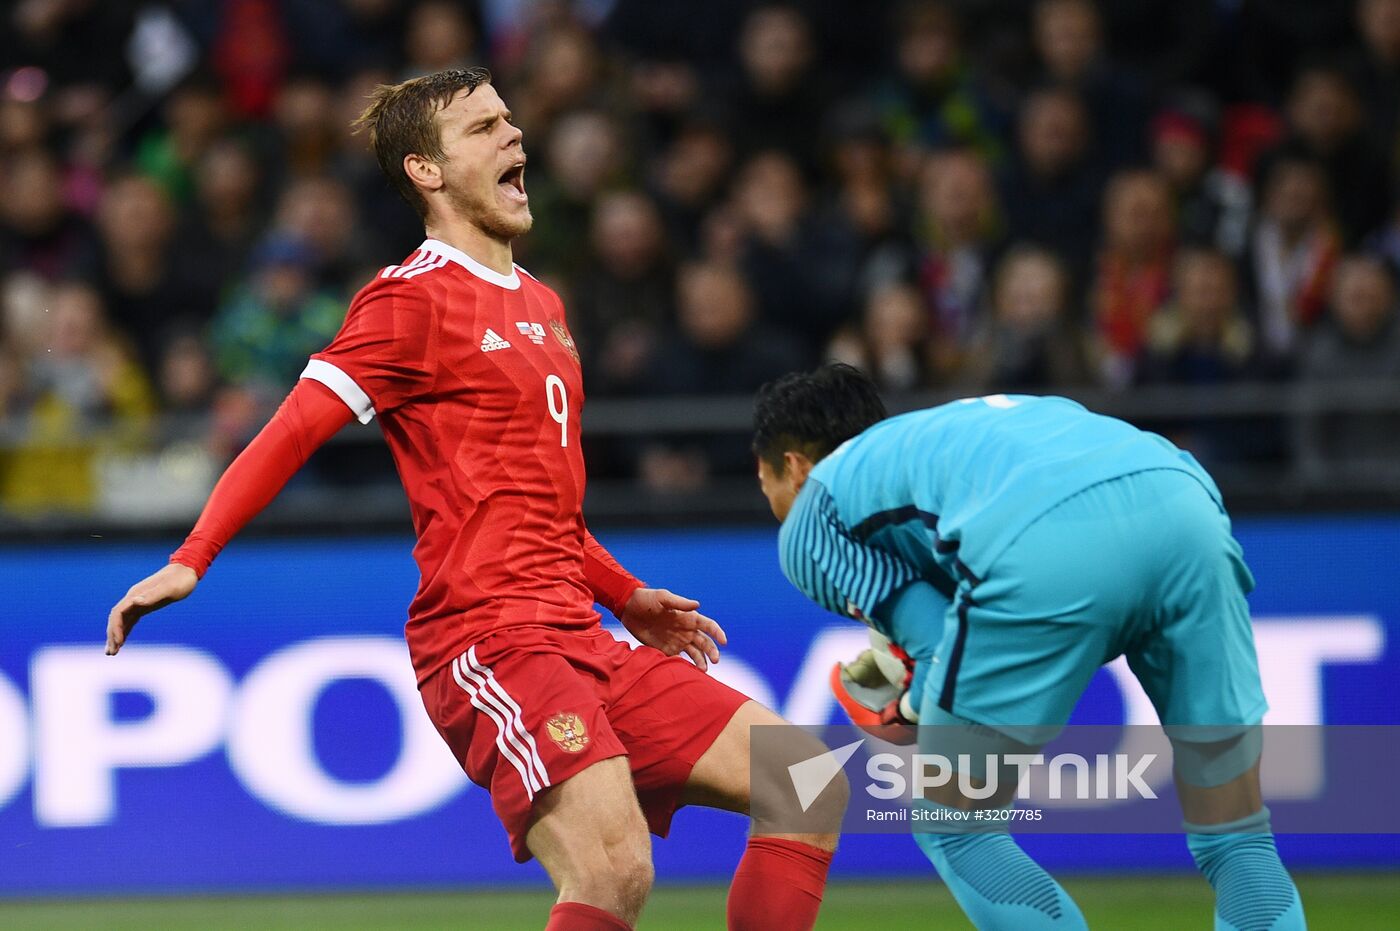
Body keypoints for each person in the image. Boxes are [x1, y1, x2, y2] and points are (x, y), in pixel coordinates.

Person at [105, 68, 840, 931]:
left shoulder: (543, 304)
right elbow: (290, 431)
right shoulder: (407, 299)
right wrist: (191, 558)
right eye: (485, 127)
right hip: (489, 638)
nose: (514, 136)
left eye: (510, 120)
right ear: (427, 170)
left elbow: (541, 506)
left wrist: (623, 594)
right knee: (612, 872)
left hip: (579, 631)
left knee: (803, 777)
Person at [752, 363, 1305, 931]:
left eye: (765, 485)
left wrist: (911, 708)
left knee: (954, 823)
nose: (772, 504)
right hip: (1186, 505)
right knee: (1236, 836)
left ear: (792, 469)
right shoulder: (946, 435)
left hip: (1048, 539)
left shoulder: (810, 512)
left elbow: (941, 645)